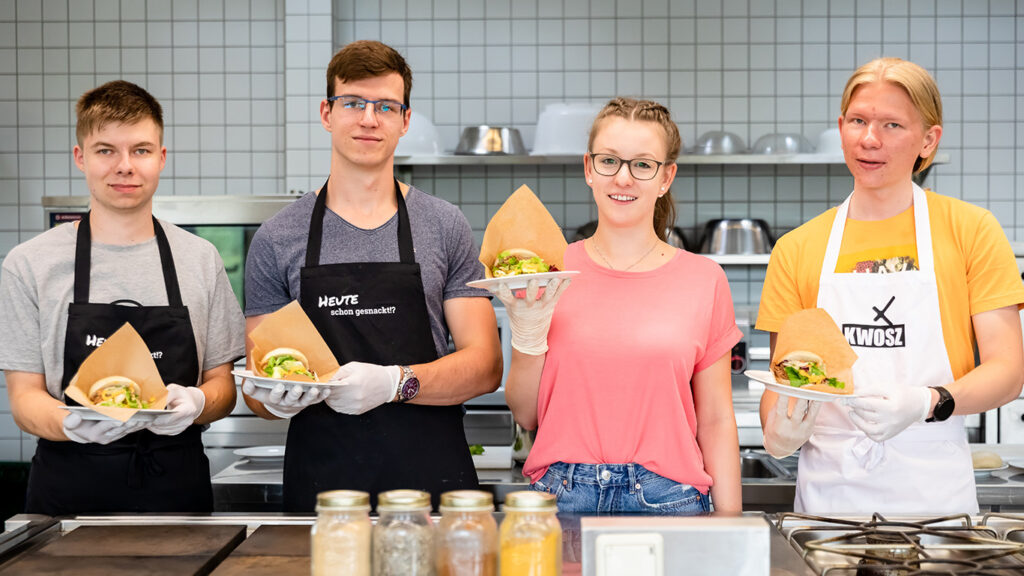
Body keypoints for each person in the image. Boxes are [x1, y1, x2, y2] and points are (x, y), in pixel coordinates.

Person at [242, 40, 502, 511]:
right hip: (323, 493)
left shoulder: (444, 225)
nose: (368, 118)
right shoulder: (277, 237)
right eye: (353, 103)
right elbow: (259, 389)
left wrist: (393, 382)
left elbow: (484, 366)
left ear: (404, 120)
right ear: (326, 113)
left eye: (385, 106)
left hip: (432, 486)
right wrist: (274, 399)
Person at [757, 57, 1024, 514]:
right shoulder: (797, 248)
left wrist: (927, 401)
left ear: (928, 139)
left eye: (892, 124)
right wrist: (781, 426)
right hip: (828, 505)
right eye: (858, 120)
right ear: (841, 126)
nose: (869, 139)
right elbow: (786, 379)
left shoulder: (970, 230)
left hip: (935, 501)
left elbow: (1008, 372)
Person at [0, 80, 246, 515]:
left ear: (161, 158)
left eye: (141, 150)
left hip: (178, 494)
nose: (125, 166)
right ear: (81, 158)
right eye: (105, 150)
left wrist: (198, 403)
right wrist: (73, 424)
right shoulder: (29, 264)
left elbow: (222, 383)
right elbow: (23, 397)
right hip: (66, 498)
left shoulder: (200, 259)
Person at [495, 98, 743, 515]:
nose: (623, 178)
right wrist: (527, 329)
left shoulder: (704, 278)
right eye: (610, 161)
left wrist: (732, 523)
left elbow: (716, 418)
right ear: (589, 168)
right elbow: (525, 412)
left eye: (643, 165)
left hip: (671, 498)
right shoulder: (547, 273)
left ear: (666, 177)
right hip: (560, 497)